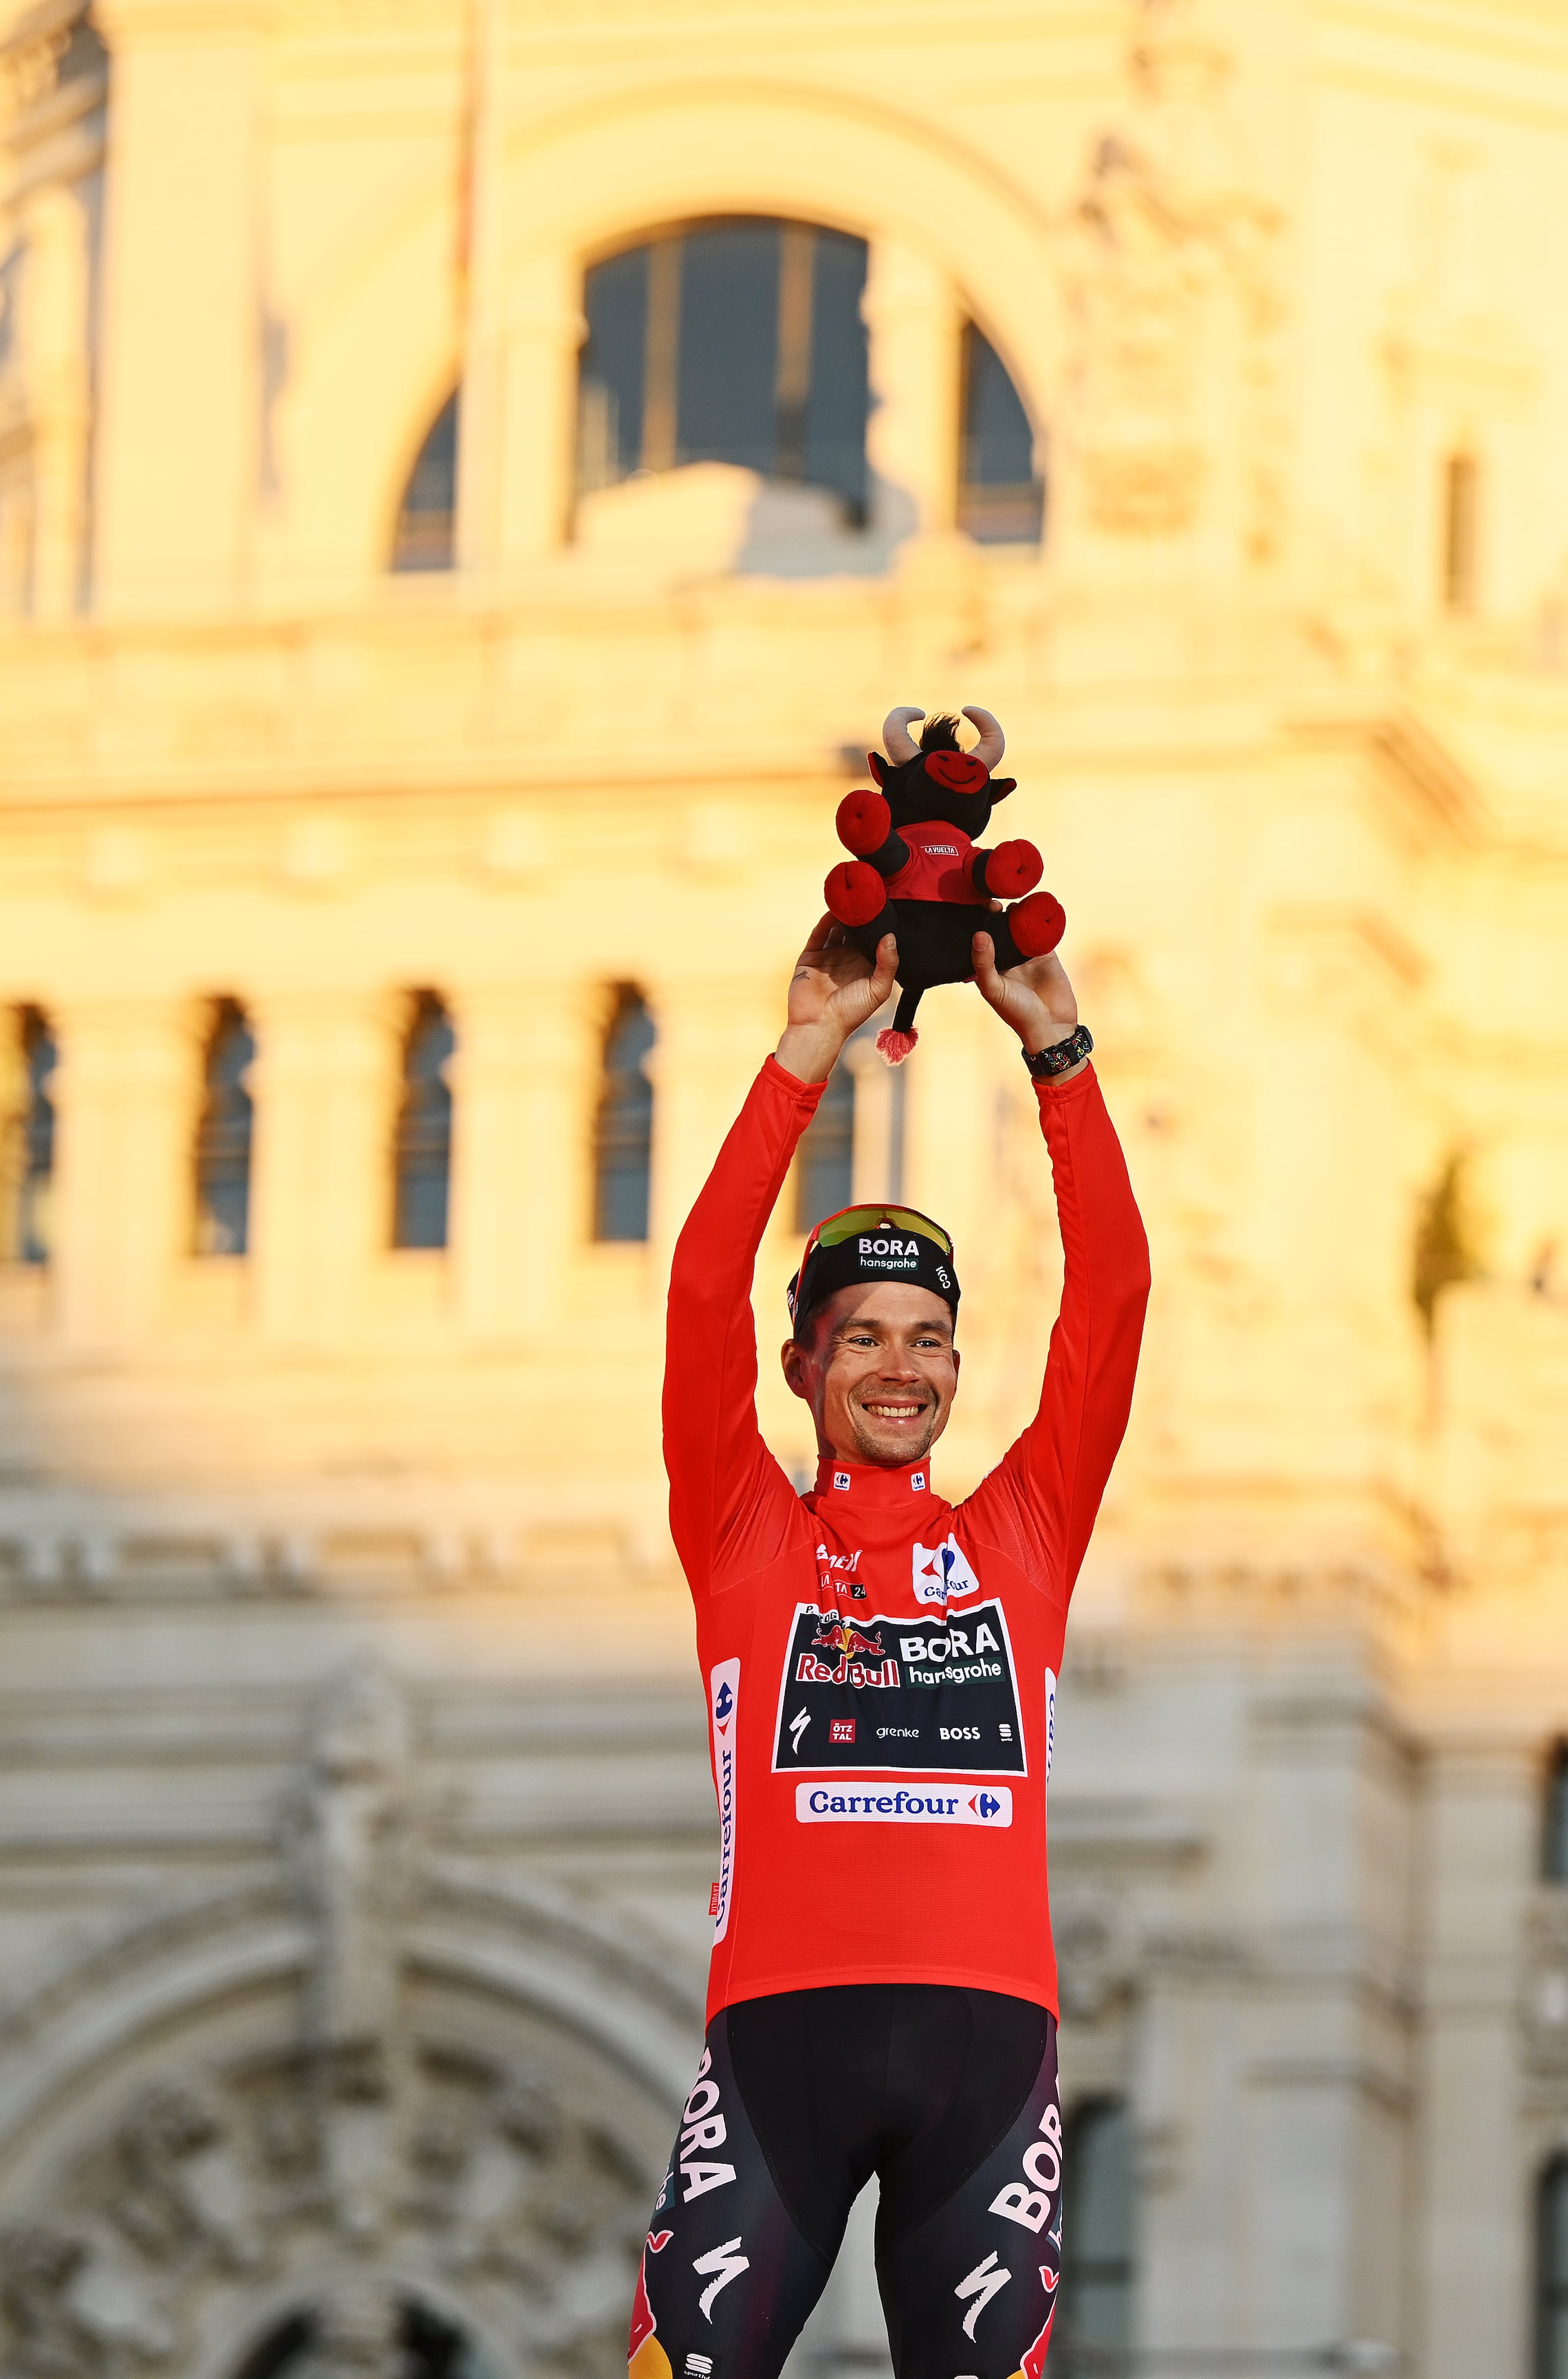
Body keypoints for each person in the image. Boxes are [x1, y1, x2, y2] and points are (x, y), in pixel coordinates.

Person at [629, 918, 1151, 2379]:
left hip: (985, 2075)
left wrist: (1059, 1057)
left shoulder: (1019, 1536)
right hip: (774, 2061)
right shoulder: (744, 1531)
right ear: (802, 1364)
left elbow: (1109, 1308)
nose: (902, 1367)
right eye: (861, 1336)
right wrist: (803, 1059)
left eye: (927, 1337)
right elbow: (695, 1296)